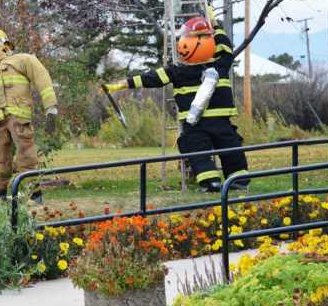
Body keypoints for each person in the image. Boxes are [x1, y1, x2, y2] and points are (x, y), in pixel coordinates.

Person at [104, 16, 249, 192]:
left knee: (196, 149)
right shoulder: (221, 64)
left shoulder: (179, 71)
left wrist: (123, 83)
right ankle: (237, 179)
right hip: (220, 122)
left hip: (194, 125)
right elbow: (225, 46)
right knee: (230, 147)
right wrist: (215, 25)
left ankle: (212, 182)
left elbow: (151, 78)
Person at [0, 28, 58, 201]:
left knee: (26, 154)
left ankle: (34, 195)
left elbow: (42, 78)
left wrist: (51, 107)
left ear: (5, 45)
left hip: (20, 119)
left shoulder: (23, 60)